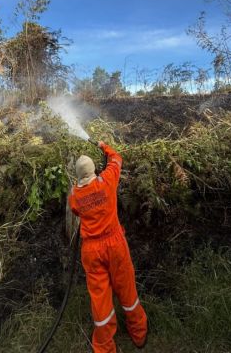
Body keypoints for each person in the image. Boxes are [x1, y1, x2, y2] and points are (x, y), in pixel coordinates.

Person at [69, 140, 148, 352]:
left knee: (100, 299)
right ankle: (139, 333)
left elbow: (77, 210)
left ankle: (104, 347)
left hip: (91, 251)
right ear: (95, 169)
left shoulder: (75, 196)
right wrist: (104, 146)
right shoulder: (108, 181)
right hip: (115, 244)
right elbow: (117, 159)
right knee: (126, 288)